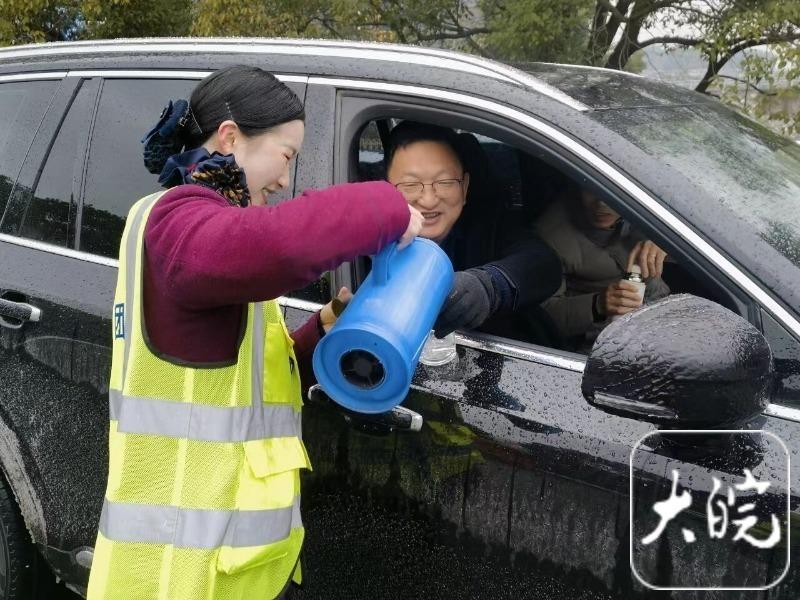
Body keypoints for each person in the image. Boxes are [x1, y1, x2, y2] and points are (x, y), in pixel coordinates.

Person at [87, 65, 423, 600]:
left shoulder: (196, 230)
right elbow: (283, 247)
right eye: (286, 155)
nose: (286, 179)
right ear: (229, 137)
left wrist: (325, 327)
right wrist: (385, 207)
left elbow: (251, 371)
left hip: (228, 568)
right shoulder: (180, 222)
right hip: (178, 576)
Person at [384, 121, 561, 339]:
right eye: (410, 185)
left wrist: (488, 286)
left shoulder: (485, 225)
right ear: (384, 188)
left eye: (445, 182)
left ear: (465, 187)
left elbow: (542, 263)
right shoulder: (363, 243)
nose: (429, 200)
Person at [534, 184, 670, 350]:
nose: (601, 204)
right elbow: (542, 317)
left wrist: (667, 241)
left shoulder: (647, 202)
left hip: (661, 309)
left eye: (613, 192)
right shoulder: (550, 236)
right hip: (604, 338)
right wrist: (597, 305)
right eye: (591, 189)